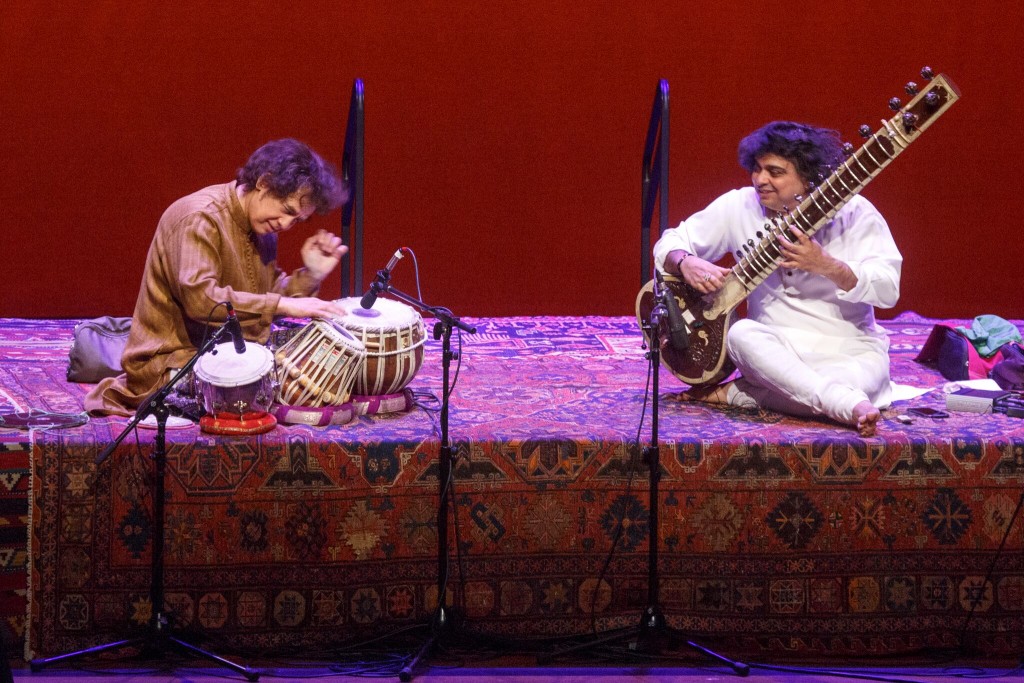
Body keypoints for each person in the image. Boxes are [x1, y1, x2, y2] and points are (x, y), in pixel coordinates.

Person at [653, 121, 903, 437]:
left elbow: (888, 289)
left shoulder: (856, 213)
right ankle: (839, 402)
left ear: (809, 177)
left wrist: (827, 265)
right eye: (756, 169)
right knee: (741, 335)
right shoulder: (739, 205)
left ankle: (742, 395)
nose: (760, 180)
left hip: (850, 350)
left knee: (852, 383)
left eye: (775, 172)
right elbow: (670, 242)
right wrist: (685, 262)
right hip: (774, 352)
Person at [85, 138, 351, 416]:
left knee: (319, 353)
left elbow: (266, 297)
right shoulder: (200, 218)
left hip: (224, 352)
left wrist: (312, 274)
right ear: (264, 182)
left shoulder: (263, 228)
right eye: (287, 211)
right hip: (173, 365)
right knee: (280, 382)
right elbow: (202, 300)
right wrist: (283, 305)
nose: (286, 224)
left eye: (296, 220)